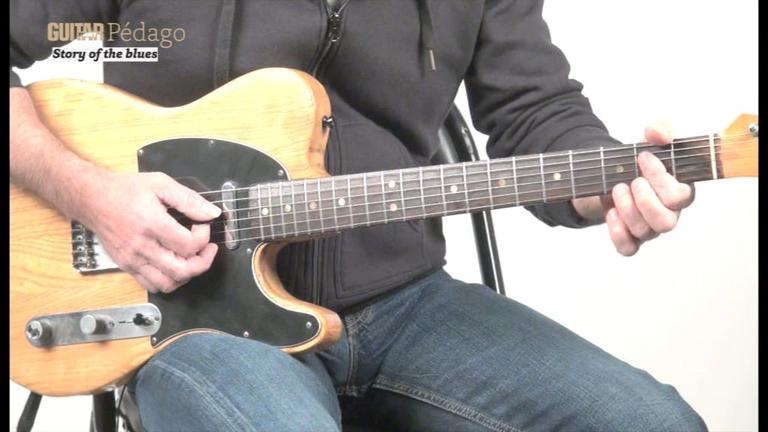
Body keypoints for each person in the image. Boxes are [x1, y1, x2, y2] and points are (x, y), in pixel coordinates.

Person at [10, 1, 705, 430]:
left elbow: (536, 110)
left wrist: (610, 183)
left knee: (656, 422)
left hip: (406, 303)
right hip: (190, 319)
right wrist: (88, 193)